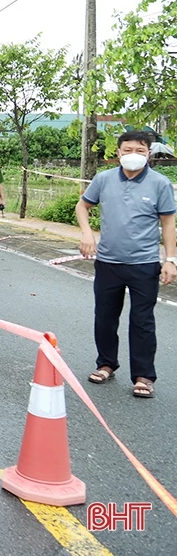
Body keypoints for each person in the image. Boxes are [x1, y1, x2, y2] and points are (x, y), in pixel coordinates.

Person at [77, 130, 176, 399]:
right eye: (128, 150)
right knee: (105, 318)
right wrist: (87, 233)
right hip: (108, 262)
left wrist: (170, 260)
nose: (134, 155)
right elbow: (82, 206)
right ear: (118, 153)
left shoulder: (160, 184)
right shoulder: (104, 179)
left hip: (144, 264)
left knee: (142, 320)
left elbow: (168, 224)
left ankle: (143, 376)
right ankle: (106, 364)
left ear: (149, 154)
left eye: (140, 151)